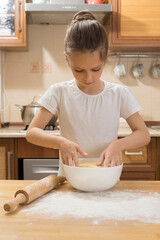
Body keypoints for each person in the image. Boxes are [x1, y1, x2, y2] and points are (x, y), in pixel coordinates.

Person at [26, 10, 150, 175]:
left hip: (106, 176)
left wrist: (118, 145)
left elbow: (143, 134)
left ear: (105, 56)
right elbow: (32, 133)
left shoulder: (119, 94)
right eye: (79, 70)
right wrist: (61, 142)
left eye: (95, 69)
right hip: (70, 177)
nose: (88, 77)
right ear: (67, 60)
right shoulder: (59, 92)